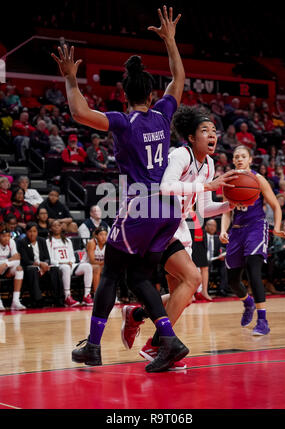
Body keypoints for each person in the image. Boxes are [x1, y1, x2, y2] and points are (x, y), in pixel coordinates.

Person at [52, 6, 189, 372]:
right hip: (168, 210)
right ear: (151, 92)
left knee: (111, 272)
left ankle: (93, 348)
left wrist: (70, 78)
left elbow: (80, 112)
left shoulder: (123, 122)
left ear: (123, 95)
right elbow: (179, 78)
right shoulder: (163, 114)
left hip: (142, 207)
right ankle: (170, 341)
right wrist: (170, 41)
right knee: (140, 276)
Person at [121, 106, 237, 365]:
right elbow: (166, 187)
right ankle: (156, 346)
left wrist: (230, 205)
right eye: (205, 130)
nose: (212, 135)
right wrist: (205, 185)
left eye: (214, 131)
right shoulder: (180, 155)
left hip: (177, 225)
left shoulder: (208, 164)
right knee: (193, 278)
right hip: (156, 221)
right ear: (191, 137)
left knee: (182, 299)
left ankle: (136, 314)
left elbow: (204, 208)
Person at [220, 145, 285, 335]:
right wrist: (223, 230)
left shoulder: (258, 179)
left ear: (250, 159)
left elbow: (276, 206)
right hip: (237, 230)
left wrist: (277, 227)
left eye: (243, 156)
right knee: (232, 279)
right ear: (233, 161)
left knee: (253, 269)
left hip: (256, 227)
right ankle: (247, 303)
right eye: (236, 157)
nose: (239, 159)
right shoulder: (229, 181)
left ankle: (263, 321)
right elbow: (227, 210)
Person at [46, 220, 93, 307]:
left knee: (88, 266)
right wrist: (63, 262)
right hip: (58, 266)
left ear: (61, 227)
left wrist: (71, 261)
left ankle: (86, 296)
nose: (57, 227)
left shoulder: (67, 240)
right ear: (51, 228)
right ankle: (67, 297)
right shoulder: (48, 241)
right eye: (54, 226)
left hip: (70, 265)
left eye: (58, 225)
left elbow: (73, 257)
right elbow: (50, 259)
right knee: (66, 267)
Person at [17, 222, 64, 308]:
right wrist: (39, 264)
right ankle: (37, 300)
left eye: (34, 231)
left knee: (55, 269)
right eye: (30, 231)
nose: (32, 234)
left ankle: (59, 299)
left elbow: (47, 257)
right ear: (26, 232)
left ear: (37, 232)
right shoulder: (22, 242)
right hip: (30, 268)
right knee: (33, 269)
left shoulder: (42, 240)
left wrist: (45, 264)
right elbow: (25, 260)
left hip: (42, 267)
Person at [0, 223, 25, 311]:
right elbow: (13, 258)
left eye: (8, 236)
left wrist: (6, 264)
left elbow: (17, 258)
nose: (7, 238)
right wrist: (9, 260)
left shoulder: (11, 242)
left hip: (5, 268)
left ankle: (15, 301)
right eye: (4, 236)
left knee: (19, 268)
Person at [204, 218, 229, 296]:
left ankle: (222, 289)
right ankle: (205, 290)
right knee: (205, 265)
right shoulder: (202, 237)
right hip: (203, 260)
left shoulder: (218, 239)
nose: (212, 227)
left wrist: (221, 255)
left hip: (214, 260)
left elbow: (221, 251)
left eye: (214, 226)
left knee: (224, 264)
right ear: (205, 227)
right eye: (210, 225)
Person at [81, 226, 107, 294]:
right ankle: (97, 294)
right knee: (98, 268)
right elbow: (92, 261)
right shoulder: (92, 243)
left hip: (100, 265)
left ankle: (111, 294)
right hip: (86, 265)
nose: (104, 237)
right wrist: (105, 263)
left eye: (105, 234)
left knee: (112, 269)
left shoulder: (108, 244)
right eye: (101, 234)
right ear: (96, 235)